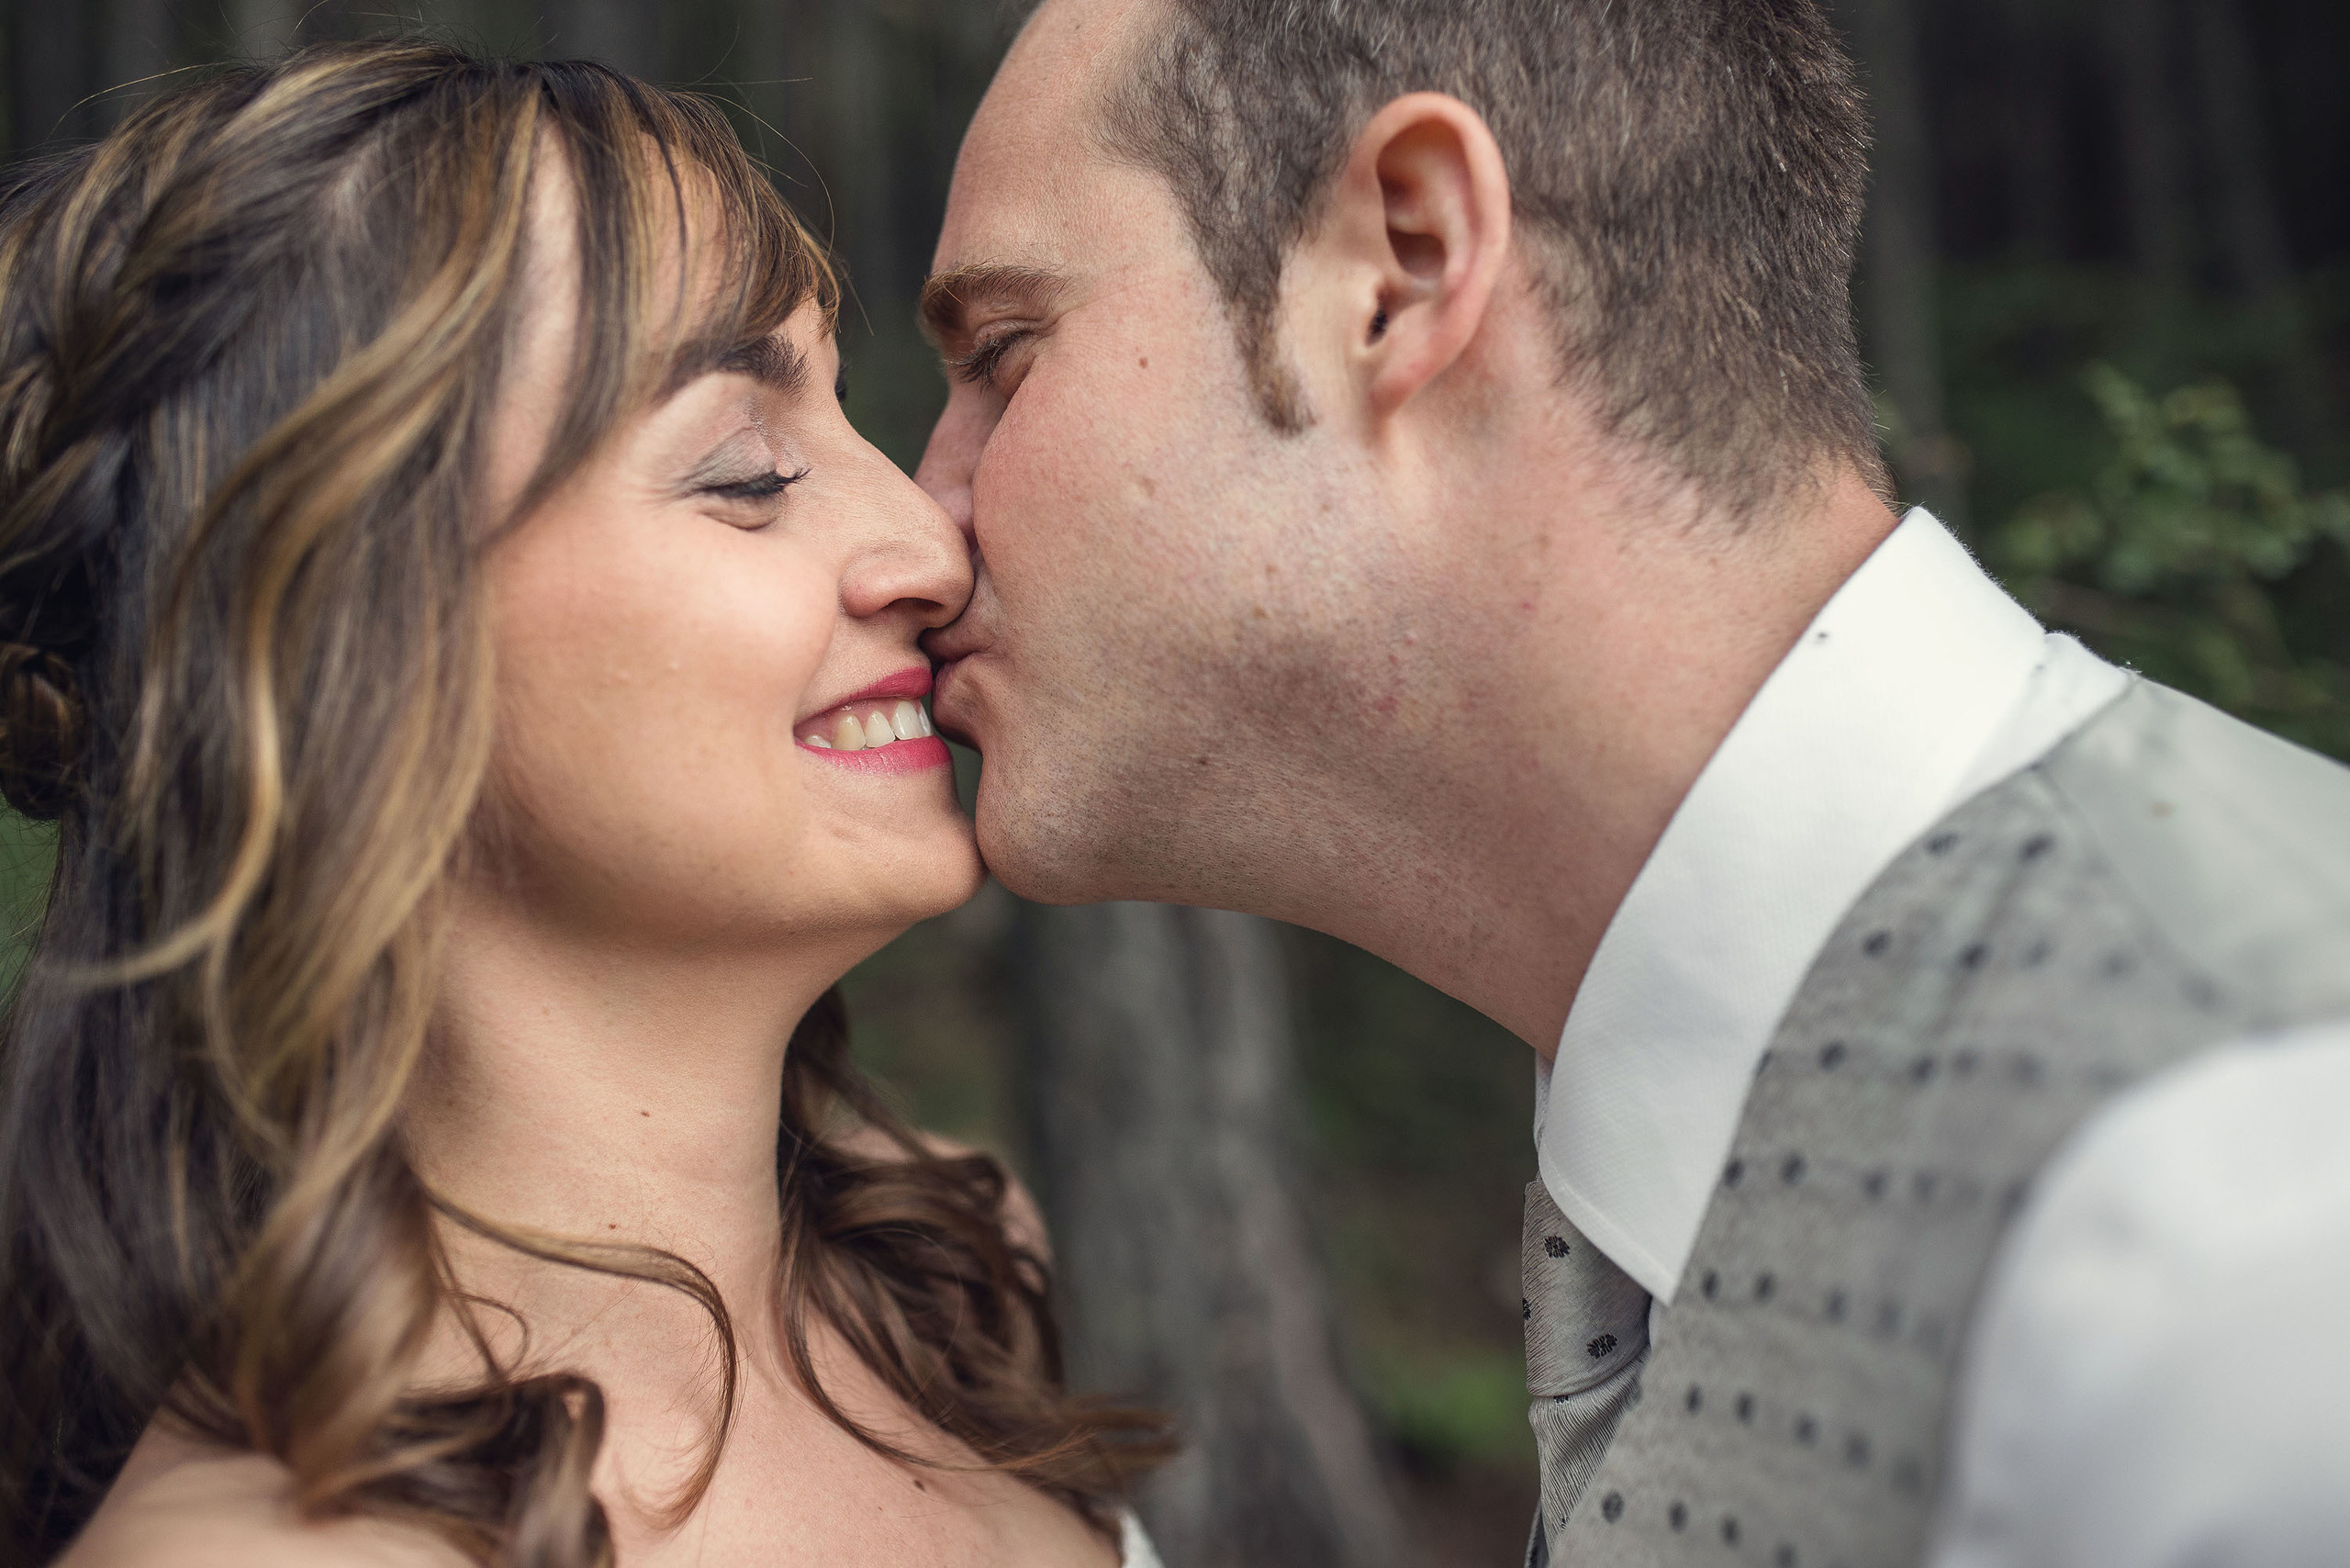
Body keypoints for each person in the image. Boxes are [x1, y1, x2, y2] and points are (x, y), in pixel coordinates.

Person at [913, 1, 2350, 1564]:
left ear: (1401, 265)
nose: (924, 523)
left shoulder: (2235, 1212)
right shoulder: (1769, 1157)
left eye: (1003, 352)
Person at [0, 41, 1167, 1568]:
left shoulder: (959, 1279)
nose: (926, 547)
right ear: (347, 653)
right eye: (747, 472)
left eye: (840, 423)